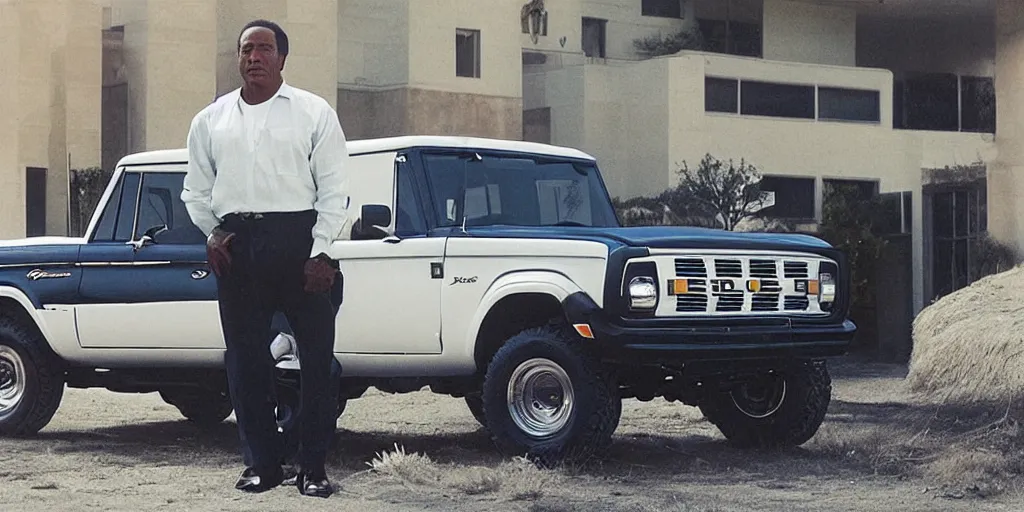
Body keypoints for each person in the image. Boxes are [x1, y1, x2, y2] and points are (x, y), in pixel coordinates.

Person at [180, 18, 350, 498]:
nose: (253, 57)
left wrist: (323, 253)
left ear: (282, 58)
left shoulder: (313, 113)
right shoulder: (210, 120)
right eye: (246, 49)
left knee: (318, 362)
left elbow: (336, 191)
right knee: (245, 362)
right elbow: (195, 190)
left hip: (302, 245)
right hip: (239, 248)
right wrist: (212, 234)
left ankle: (312, 467)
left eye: (264, 49)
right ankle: (262, 465)